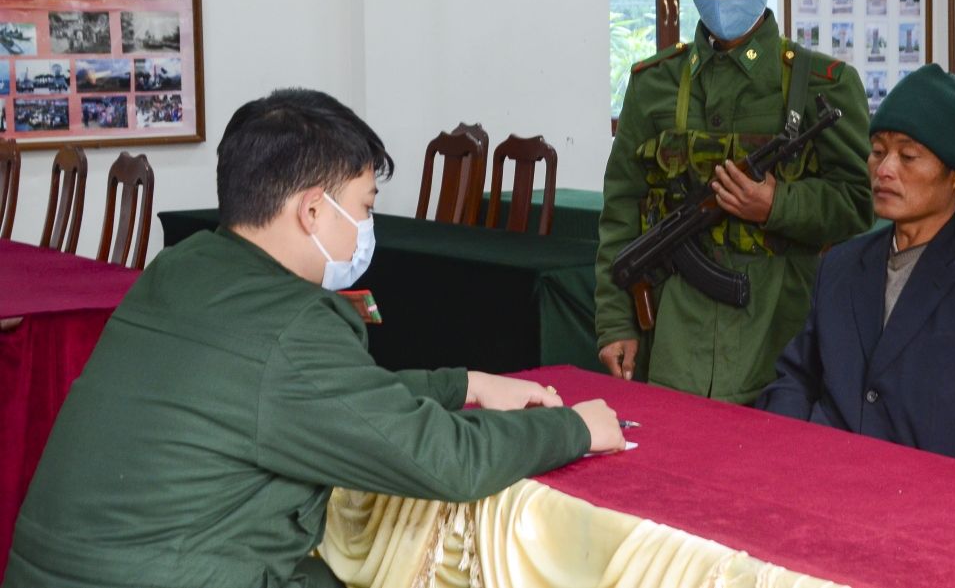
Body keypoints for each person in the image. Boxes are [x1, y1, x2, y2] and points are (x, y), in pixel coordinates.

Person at [4, 89, 624, 588]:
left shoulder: (186, 266)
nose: (366, 227)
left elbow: (305, 397)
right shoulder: (294, 322)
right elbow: (446, 461)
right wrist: (575, 429)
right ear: (312, 211)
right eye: (365, 205)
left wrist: (463, 384)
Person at [595, 0, 873, 405]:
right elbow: (621, 213)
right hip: (675, 338)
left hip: (782, 334)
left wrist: (776, 204)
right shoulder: (654, 83)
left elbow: (858, 204)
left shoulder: (821, 85)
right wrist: (614, 323)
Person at [757, 64, 955, 483]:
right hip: (819, 486)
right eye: (877, 150)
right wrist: (789, 456)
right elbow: (794, 381)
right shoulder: (840, 264)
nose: (884, 169)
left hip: (937, 514)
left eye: (908, 156)